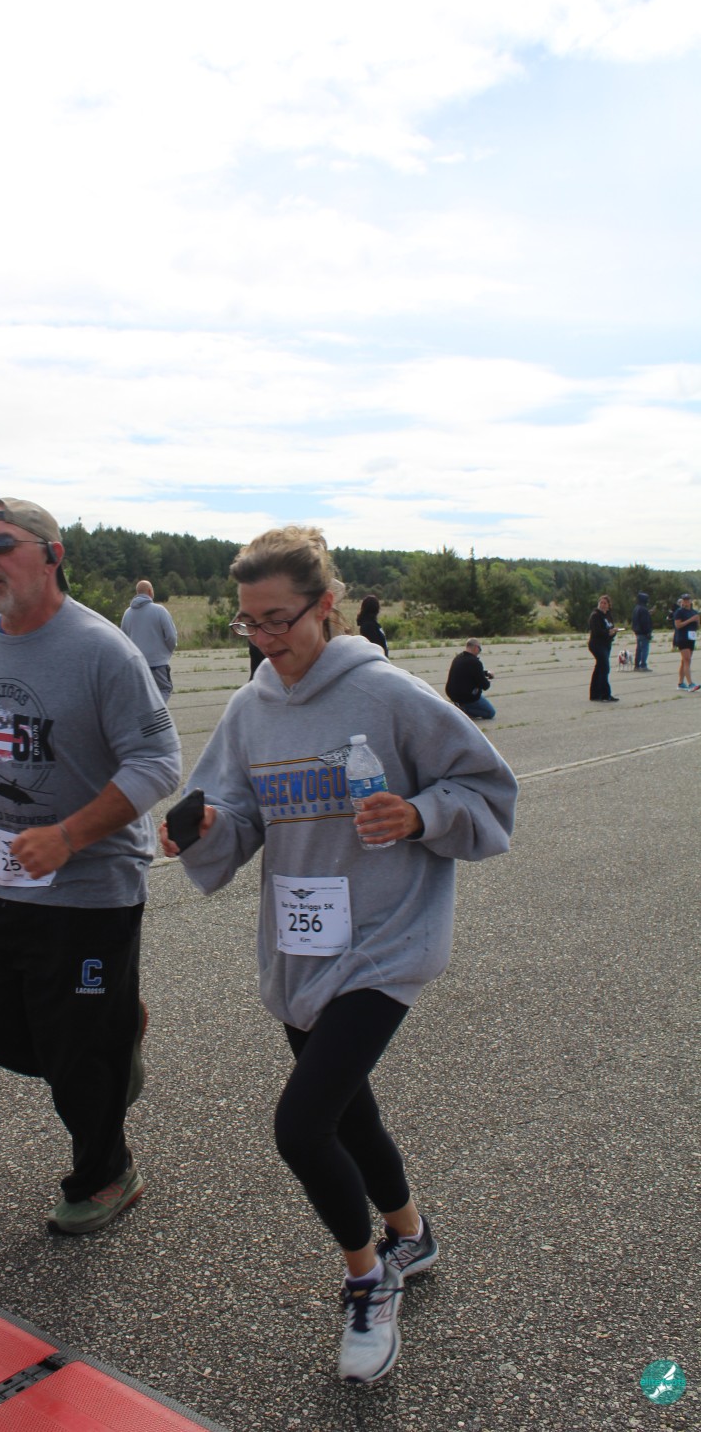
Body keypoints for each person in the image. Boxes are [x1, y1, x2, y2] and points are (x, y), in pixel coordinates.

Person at [158, 526, 516, 1385]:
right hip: (301, 945)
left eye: (278, 619)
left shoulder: (387, 694)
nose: (264, 639)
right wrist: (201, 828)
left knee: (301, 1125)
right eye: (248, 623)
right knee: (351, 1116)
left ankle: (368, 1281)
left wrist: (419, 814)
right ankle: (411, 1235)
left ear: (324, 607)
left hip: (386, 941)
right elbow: (236, 816)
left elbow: (485, 789)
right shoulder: (250, 709)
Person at [0, 496, 181, 1236]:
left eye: (2, 544)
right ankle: (114, 1036)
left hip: (93, 886)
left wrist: (69, 836)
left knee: (79, 1053)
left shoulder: (103, 649)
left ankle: (107, 1174)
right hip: (7, 879)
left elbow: (158, 762)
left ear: (52, 555)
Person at [119, 580, 178, 701]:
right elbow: (171, 637)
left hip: (137, 664)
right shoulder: (159, 610)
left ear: (137, 593)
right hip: (158, 663)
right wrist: (167, 652)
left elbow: (123, 640)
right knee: (164, 690)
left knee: (142, 695)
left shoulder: (127, 613)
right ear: (150, 591)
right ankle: (158, 713)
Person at [445, 639, 496, 720]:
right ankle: (463, 710)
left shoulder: (458, 658)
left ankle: (460, 706)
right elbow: (485, 686)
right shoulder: (475, 662)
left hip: (453, 694)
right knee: (491, 713)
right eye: (480, 649)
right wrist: (489, 679)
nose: (479, 651)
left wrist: (486, 673)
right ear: (476, 648)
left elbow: (470, 672)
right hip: (466, 697)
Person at [587, 595, 618, 702]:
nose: (603, 605)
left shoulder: (608, 615)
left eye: (605, 603)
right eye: (601, 603)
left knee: (599, 668)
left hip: (606, 644)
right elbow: (597, 632)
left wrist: (613, 632)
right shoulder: (595, 616)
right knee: (605, 668)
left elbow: (611, 628)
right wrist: (608, 633)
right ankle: (605, 694)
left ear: (609, 605)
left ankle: (595, 694)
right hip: (596, 644)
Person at [672, 593, 700, 691]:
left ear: (690, 601)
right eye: (684, 600)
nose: (686, 602)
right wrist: (690, 620)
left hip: (691, 638)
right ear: (682, 601)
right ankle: (690, 683)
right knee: (687, 660)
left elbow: (697, 626)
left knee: (685, 660)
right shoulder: (679, 612)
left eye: (688, 600)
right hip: (682, 637)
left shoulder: (694, 612)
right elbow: (678, 625)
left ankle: (680, 683)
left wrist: (697, 621)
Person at [630, 592, 653, 672]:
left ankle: (637, 665)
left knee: (639, 649)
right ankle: (643, 665)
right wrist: (648, 632)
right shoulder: (644, 609)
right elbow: (644, 622)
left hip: (637, 632)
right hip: (643, 632)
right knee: (644, 649)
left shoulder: (636, 608)